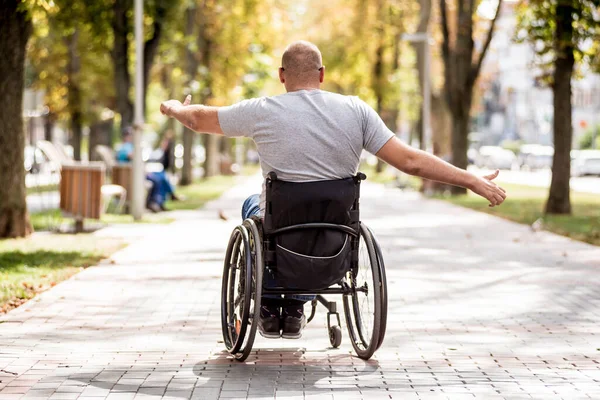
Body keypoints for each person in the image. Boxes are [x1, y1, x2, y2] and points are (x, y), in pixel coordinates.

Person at [160, 41, 506, 339]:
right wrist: (471, 179)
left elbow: (199, 118)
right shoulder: (356, 111)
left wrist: (176, 108)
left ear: (282, 76)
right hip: (335, 231)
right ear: (322, 74)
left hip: (280, 229)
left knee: (253, 205)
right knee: (299, 218)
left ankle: (269, 301)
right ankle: (296, 306)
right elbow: (411, 162)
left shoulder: (261, 111)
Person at [116, 129, 179, 212]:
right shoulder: (125, 147)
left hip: (136, 173)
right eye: (129, 136)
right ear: (125, 137)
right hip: (131, 176)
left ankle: (159, 202)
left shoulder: (130, 146)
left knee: (161, 176)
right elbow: (132, 157)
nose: (131, 138)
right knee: (157, 179)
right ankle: (154, 202)